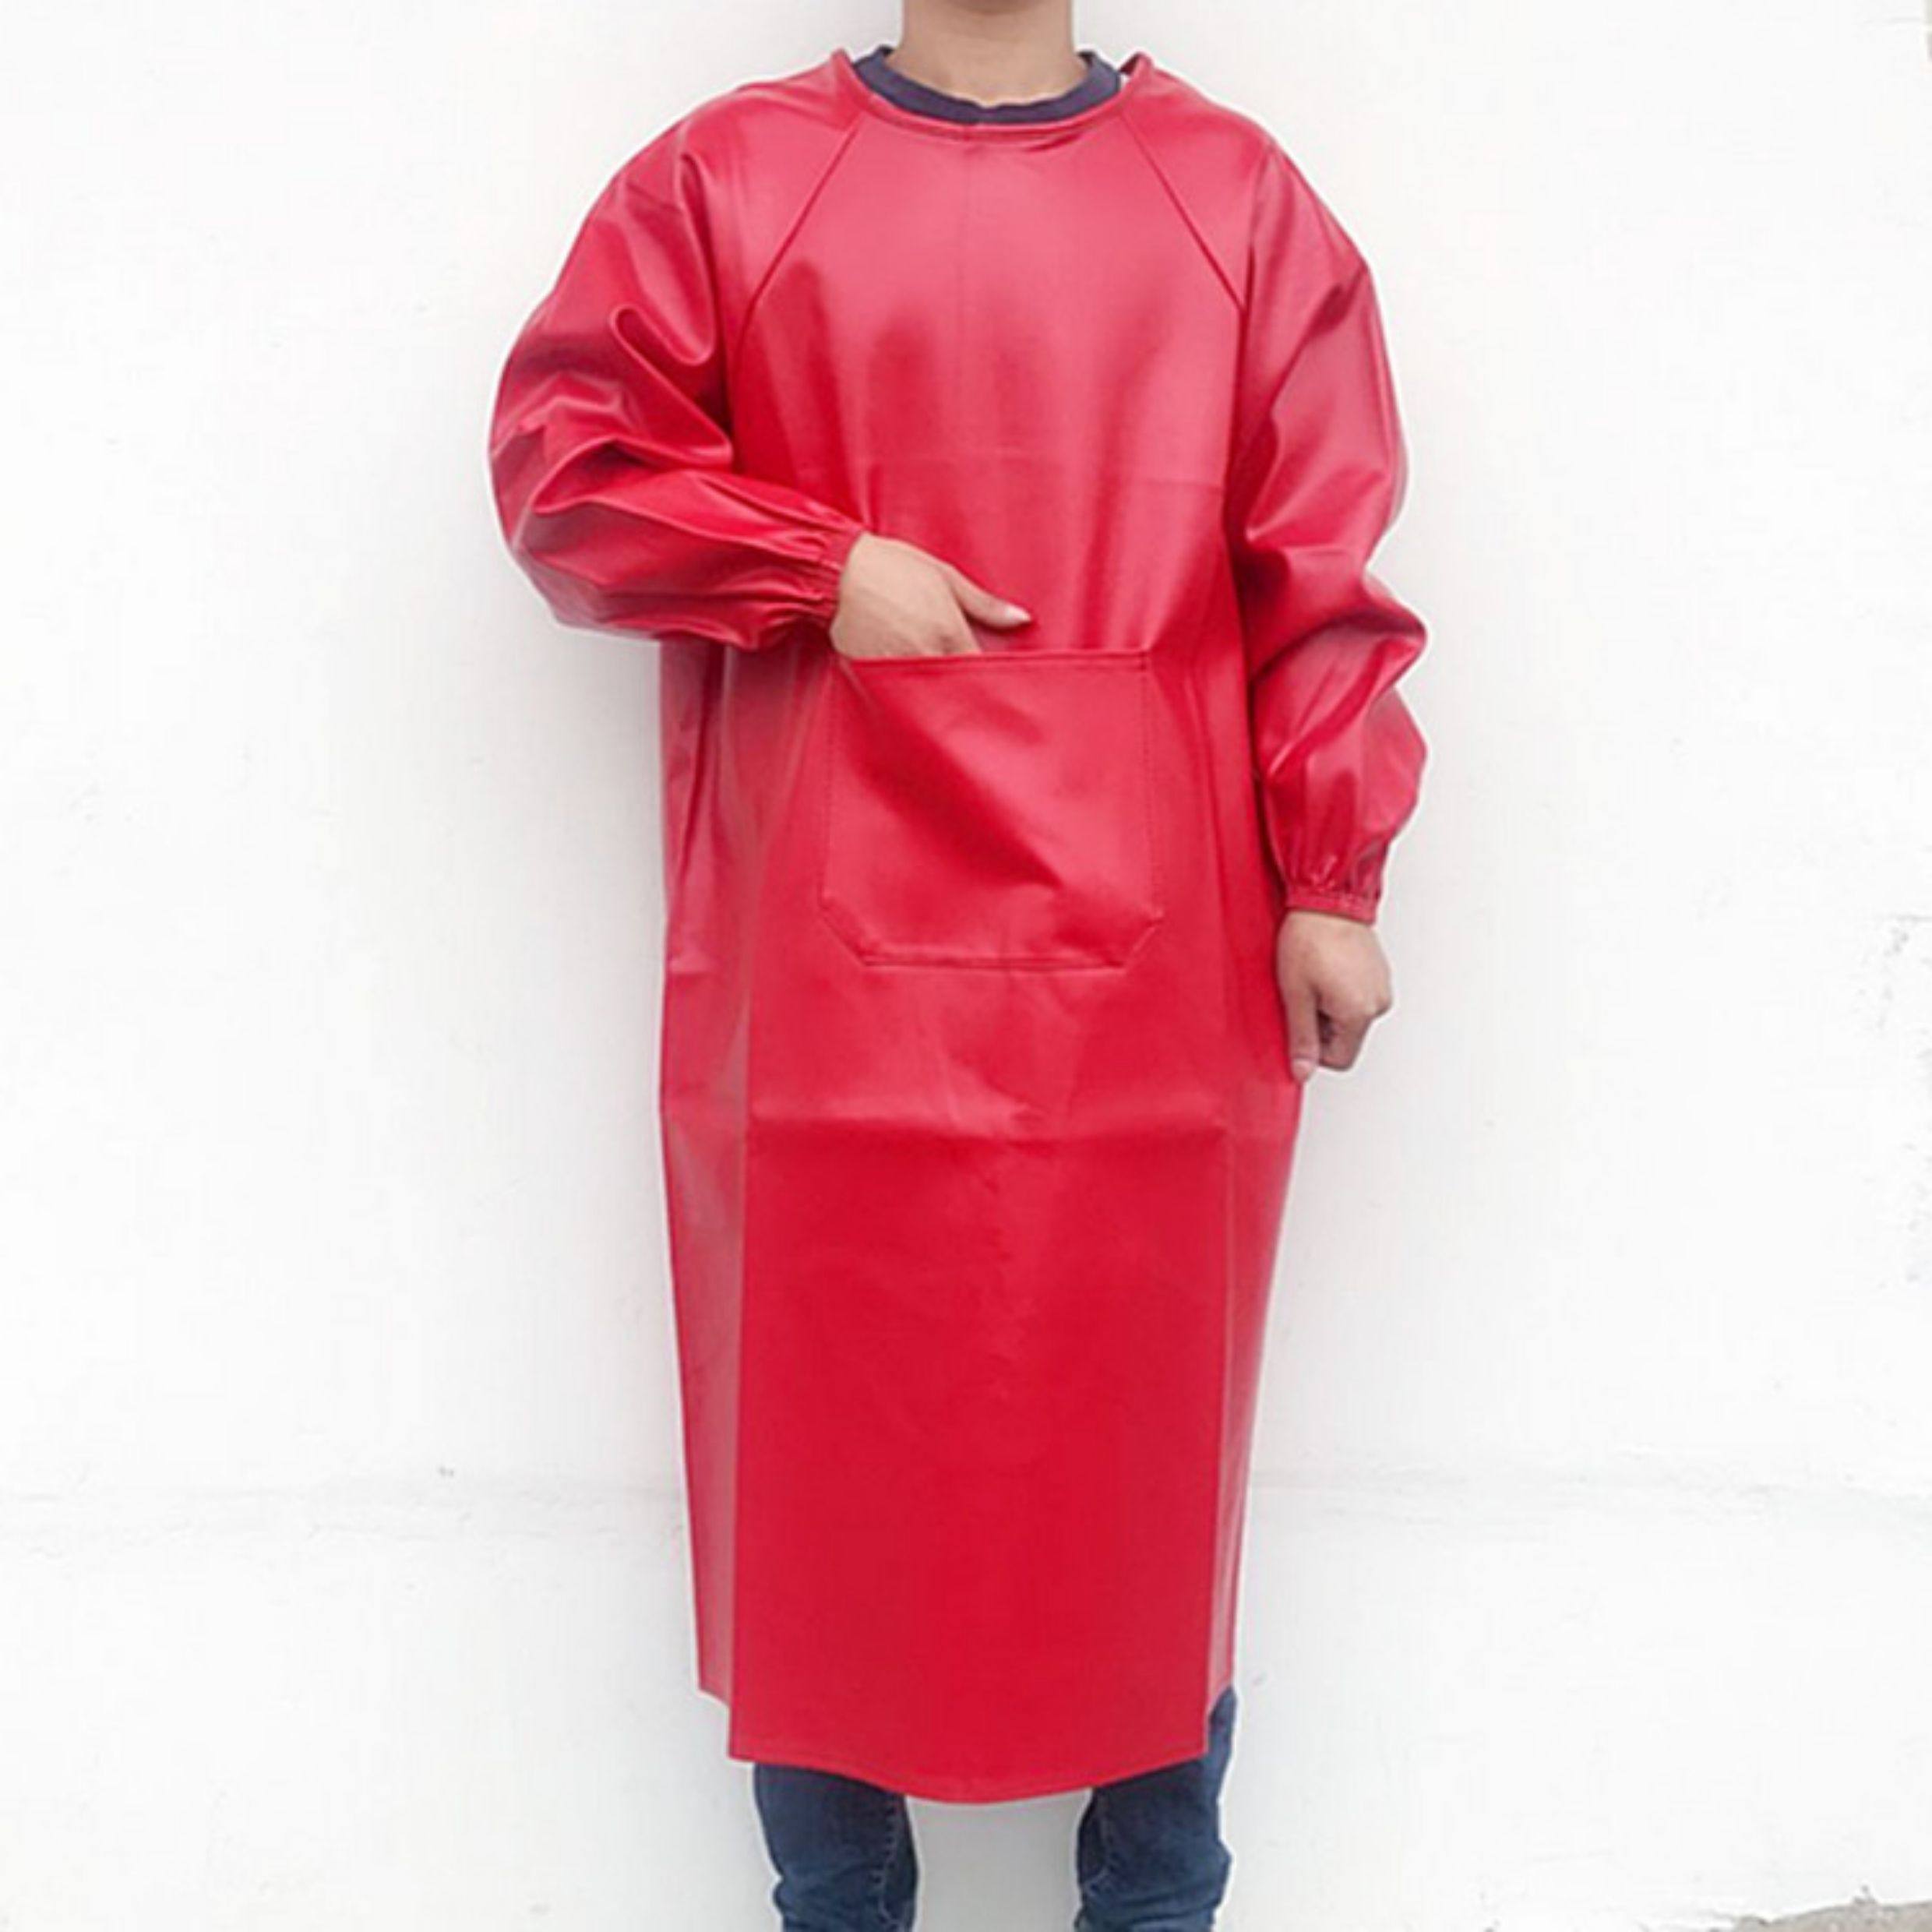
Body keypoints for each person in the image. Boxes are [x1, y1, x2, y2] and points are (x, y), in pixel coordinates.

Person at [486, 2, 1427, 1924]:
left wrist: (1331, 873)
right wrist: (813, 565)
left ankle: (1154, 1900)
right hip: (823, 969)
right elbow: (567, 468)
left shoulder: (1231, 198)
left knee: (1144, 1464)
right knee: (828, 1459)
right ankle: (839, 1906)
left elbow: (1314, 558)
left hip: (1157, 964)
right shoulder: (733, 180)